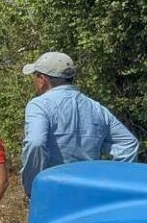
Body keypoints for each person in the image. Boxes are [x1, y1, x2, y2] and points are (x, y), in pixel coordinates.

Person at [21, 52, 139, 196]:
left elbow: (36, 143)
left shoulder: (39, 105)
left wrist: (33, 187)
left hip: (54, 191)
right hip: (90, 191)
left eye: (35, 76)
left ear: (42, 79)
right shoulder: (97, 108)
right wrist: (116, 184)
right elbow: (128, 143)